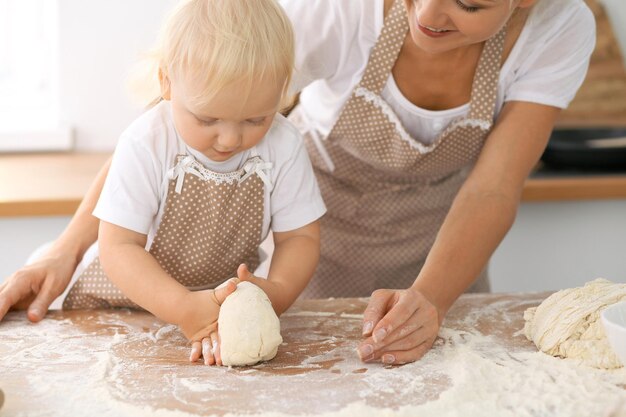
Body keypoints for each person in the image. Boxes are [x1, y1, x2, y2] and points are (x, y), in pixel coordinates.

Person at [0, 0, 594, 366]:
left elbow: (492, 188)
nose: (427, 15)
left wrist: (432, 298)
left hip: (437, 244)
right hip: (316, 247)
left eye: (467, 3)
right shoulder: (336, 11)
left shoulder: (559, 29)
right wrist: (65, 247)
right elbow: (170, 125)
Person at [0, 0, 326, 367]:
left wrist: (277, 293)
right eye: (208, 119)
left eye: (255, 119)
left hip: (208, 305)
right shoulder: (146, 142)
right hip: (118, 306)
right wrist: (183, 307)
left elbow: (299, 238)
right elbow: (119, 246)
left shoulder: (284, 145)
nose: (230, 139)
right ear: (166, 81)